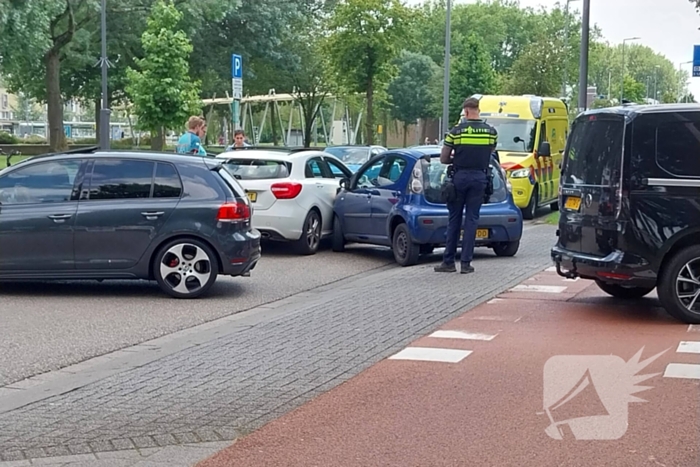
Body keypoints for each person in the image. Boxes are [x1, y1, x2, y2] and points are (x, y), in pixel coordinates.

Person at [434, 97, 498, 274]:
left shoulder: (457, 131)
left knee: (454, 219)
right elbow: (490, 152)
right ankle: (466, 264)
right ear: (478, 109)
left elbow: (444, 158)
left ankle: (448, 262)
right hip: (479, 178)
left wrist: (458, 158)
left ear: (467, 111)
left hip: (459, 178)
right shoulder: (490, 132)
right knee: (472, 220)